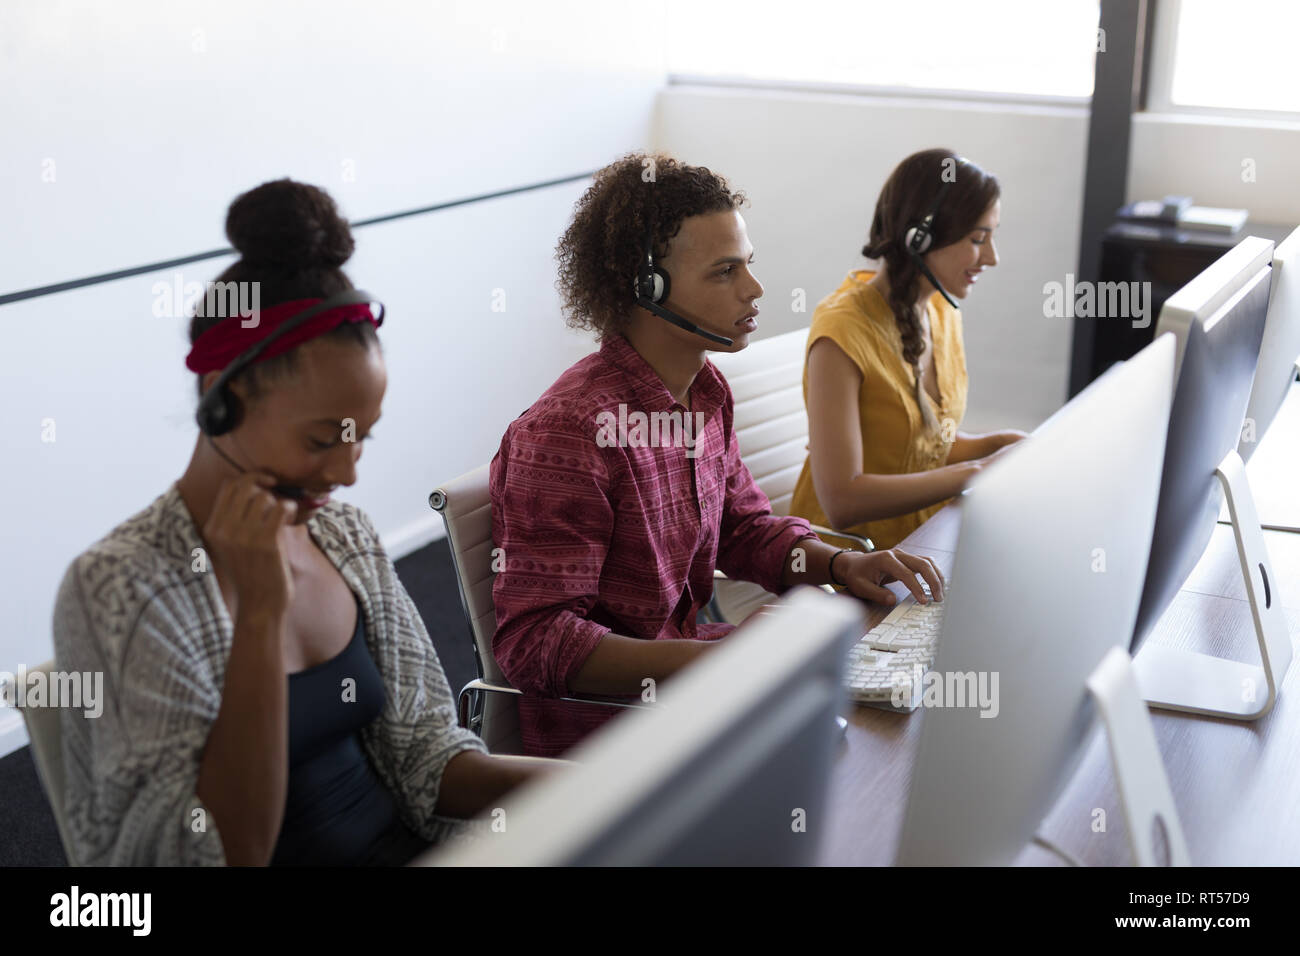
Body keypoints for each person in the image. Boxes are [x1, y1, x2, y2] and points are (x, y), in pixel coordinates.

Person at [53, 179, 539, 866]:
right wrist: (258, 616)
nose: (347, 474)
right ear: (220, 399)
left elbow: (429, 758)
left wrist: (609, 783)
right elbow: (209, 855)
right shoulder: (120, 586)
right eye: (320, 441)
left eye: (361, 437)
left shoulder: (343, 536)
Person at [488, 153, 946, 758]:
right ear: (645, 288)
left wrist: (838, 566)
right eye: (724, 272)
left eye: (748, 265)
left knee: (897, 732)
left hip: (697, 685)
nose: (754, 289)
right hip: (609, 738)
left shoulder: (704, 394)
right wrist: (725, 659)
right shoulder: (571, 433)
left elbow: (745, 528)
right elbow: (536, 643)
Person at [790, 148, 1028, 551]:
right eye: (977, 239)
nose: (992, 257)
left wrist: (998, 444)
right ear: (920, 237)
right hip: (846, 563)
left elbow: (923, 448)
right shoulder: (842, 333)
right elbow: (842, 502)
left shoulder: (939, 309)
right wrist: (976, 471)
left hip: (923, 543)